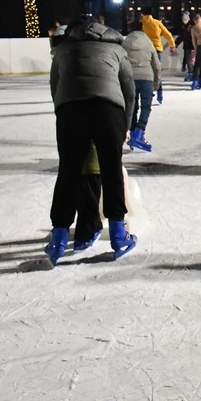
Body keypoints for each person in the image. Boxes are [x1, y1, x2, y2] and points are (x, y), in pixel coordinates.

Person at [47, 14, 136, 264]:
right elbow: (129, 90)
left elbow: (55, 86)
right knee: (111, 170)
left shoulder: (63, 50)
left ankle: (58, 239)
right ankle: (119, 236)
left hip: (70, 110)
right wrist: (125, 125)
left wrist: (64, 113)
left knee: (68, 171)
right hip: (109, 110)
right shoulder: (116, 48)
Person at [123, 19, 161, 152]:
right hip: (146, 78)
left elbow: (121, 61)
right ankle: (139, 133)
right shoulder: (148, 42)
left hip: (130, 78)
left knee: (132, 106)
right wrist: (157, 83)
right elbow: (156, 65)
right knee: (146, 107)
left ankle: (133, 133)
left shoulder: (125, 42)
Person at [140, 10, 176, 103]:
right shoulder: (157, 23)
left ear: (142, 14)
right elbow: (168, 34)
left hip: (145, 49)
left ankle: (149, 92)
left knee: (147, 72)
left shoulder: (142, 24)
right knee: (157, 71)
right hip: (157, 49)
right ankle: (160, 92)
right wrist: (172, 45)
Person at [179, 11, 195, 77]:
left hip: (191, 46)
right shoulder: (185, 27)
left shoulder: (190, 27)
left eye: (185, 20)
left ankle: (191, 73)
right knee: (187, 58)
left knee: (189, 60)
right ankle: (188, 70)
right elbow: (182, 36)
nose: (184, 21)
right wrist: (176, 43)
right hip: (187, 46)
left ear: (188, 19)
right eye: (183, 20)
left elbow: (192, 36)